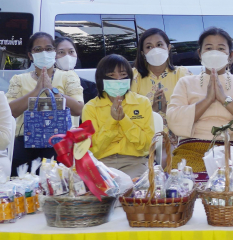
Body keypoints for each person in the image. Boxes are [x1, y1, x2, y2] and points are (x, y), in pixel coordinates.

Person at [166, 27, 233, 174]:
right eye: (209, 48)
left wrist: (224, 99)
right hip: (190, 149)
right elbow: (173, 119)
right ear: (200, 54)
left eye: (220, 48)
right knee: (186, 181)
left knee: (231, 180)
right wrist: (207, 100)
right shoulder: (185, 82)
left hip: (232, 150)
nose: (214, 52)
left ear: (230, 55)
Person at [6, 32, 84, 170]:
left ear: (54, 52)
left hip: (60, 144)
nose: (44, 53)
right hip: (25, 144)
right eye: (38, 49)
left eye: (48, 49)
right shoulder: (19, 79)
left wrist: (52, 90)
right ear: (30, 55)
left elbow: (78, 109)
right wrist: (36, 91)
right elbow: (9, 112)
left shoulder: (68, 76)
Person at [81, 55, 154, 177]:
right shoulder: (91, 107)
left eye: (123, 75)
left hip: (135, 162)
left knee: (131, 186)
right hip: (102, 164)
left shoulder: (142, 103)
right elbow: (93, 149)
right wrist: (112, 121)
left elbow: (146, 145)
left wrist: (124, 120)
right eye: (111, 76)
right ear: (101, 79)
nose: (118, 79)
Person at [131, 28, 190, 144]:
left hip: (177, 140)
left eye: (159, 45)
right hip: (142, 139)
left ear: (168, 48)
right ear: (143, 53)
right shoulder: (134, 76)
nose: (155, 50)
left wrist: (166, 109)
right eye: (149, 47)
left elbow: (192, 110)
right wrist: (151, 110)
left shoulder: (182, 74)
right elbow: (128, 113)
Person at [54, 37, 97, 104]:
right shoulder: (48, 85)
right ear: (53, 56)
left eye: (71, 52)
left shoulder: (91, 88)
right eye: (61, 52)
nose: (67, 56)